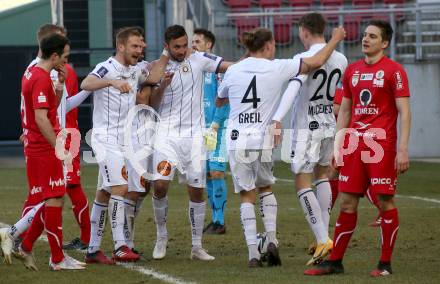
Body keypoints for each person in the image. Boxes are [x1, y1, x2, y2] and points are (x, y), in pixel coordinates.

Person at [217, 26, 346, 268]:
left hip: (237, 138)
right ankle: (273, 240)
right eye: (274, 44)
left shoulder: (234, 70)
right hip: (264, 138)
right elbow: (317, 60)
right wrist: (336, 39)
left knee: (247, 195)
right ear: (267, 46)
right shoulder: (277, 66)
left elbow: (220, 98)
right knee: (266, 188)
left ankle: (253, 254)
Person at [304, 20, 411, 277]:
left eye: (372, 36)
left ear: (384, 43)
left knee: (385, 201)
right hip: (353, 144)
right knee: (347, 203)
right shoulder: (352, 71)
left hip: (381, 145)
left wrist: (403, 149)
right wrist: (338, 146)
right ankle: (335, 262)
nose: (366, 39)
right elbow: (345, 112)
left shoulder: (394, 71)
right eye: (365, 35)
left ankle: (385, 264)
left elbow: (404, 112)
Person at [0, 25, 92, 263]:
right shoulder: (40, 75)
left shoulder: (34, 72)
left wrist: (60, 87)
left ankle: (25, 243)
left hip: (42, 140)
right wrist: (58, 146)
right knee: (51, 198)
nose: (66, 60)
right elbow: (42, 116)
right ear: (53, 52)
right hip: (46, 143)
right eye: (65, 54)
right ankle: (35, 246)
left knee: (48, 198)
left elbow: (49, 107)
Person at [81, 26, 169, 264]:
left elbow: (153, 77)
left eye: (141, 46)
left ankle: (93, 249)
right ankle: (120, 245)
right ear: (121, 46)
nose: (139, 51)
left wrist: (165, 53)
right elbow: (86, 84)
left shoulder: (136, 69)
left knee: (104, 192)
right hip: (105, 138)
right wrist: (111, 82)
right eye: (134, 46)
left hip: (124, 139)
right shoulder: (106, 67)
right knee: (120, 188)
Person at [149, 25, 233, 261]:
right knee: (160, 186)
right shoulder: (158, 67)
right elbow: (152, 105)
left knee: (197, 190)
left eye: (185, 44)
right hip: (166, 135)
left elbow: (227, 65)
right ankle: (161, 237)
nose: (183, 49)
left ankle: (197, 246)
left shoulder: (199, 59)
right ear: (167, 46)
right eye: (177, 46)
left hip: (195, 137)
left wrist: (252, 65)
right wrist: (163, 84)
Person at [272, 13, 348, 266]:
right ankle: (322, 238)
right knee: (322, 176)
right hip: (329, 122)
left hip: (306, 128)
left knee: (301, 180)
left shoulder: (302, 58)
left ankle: (322, 238)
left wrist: (278, 118)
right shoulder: (341, 58)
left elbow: (293, 89)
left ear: (304, 31)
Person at [192, 28, 229, 235]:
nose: (194, 45)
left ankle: (220, 221)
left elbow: (225, 98)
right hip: (200, 129)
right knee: (207, 174)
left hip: (217, 127)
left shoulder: (219, 68)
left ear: (209, 45)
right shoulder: (195, 68)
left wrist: (216, 122)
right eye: (193, 41)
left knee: (217, 172)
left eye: (198, 41)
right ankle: (215, 220)